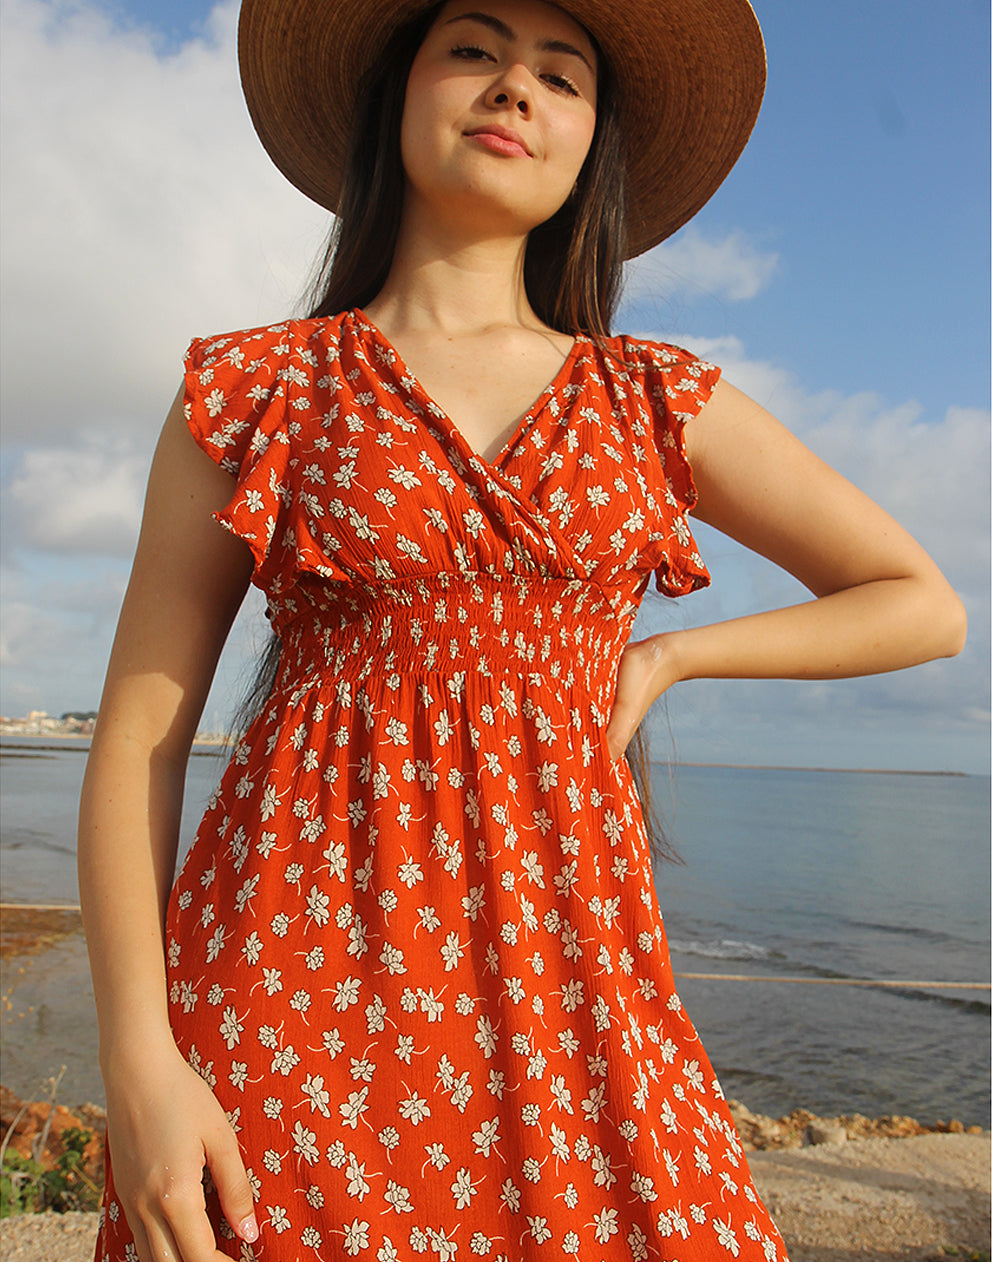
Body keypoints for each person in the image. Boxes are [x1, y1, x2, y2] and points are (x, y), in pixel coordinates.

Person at [77, 0, 967, 1259]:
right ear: (400, 95)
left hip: (580, 1003)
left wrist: (669, 653)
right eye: (474, 52)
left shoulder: (651, 398)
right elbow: (137, 740)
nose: (514, 91)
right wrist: (139, 1060)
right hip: (288, 998)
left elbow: (919, 603)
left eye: (560, 75)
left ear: (586, 143)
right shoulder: (259, 387)